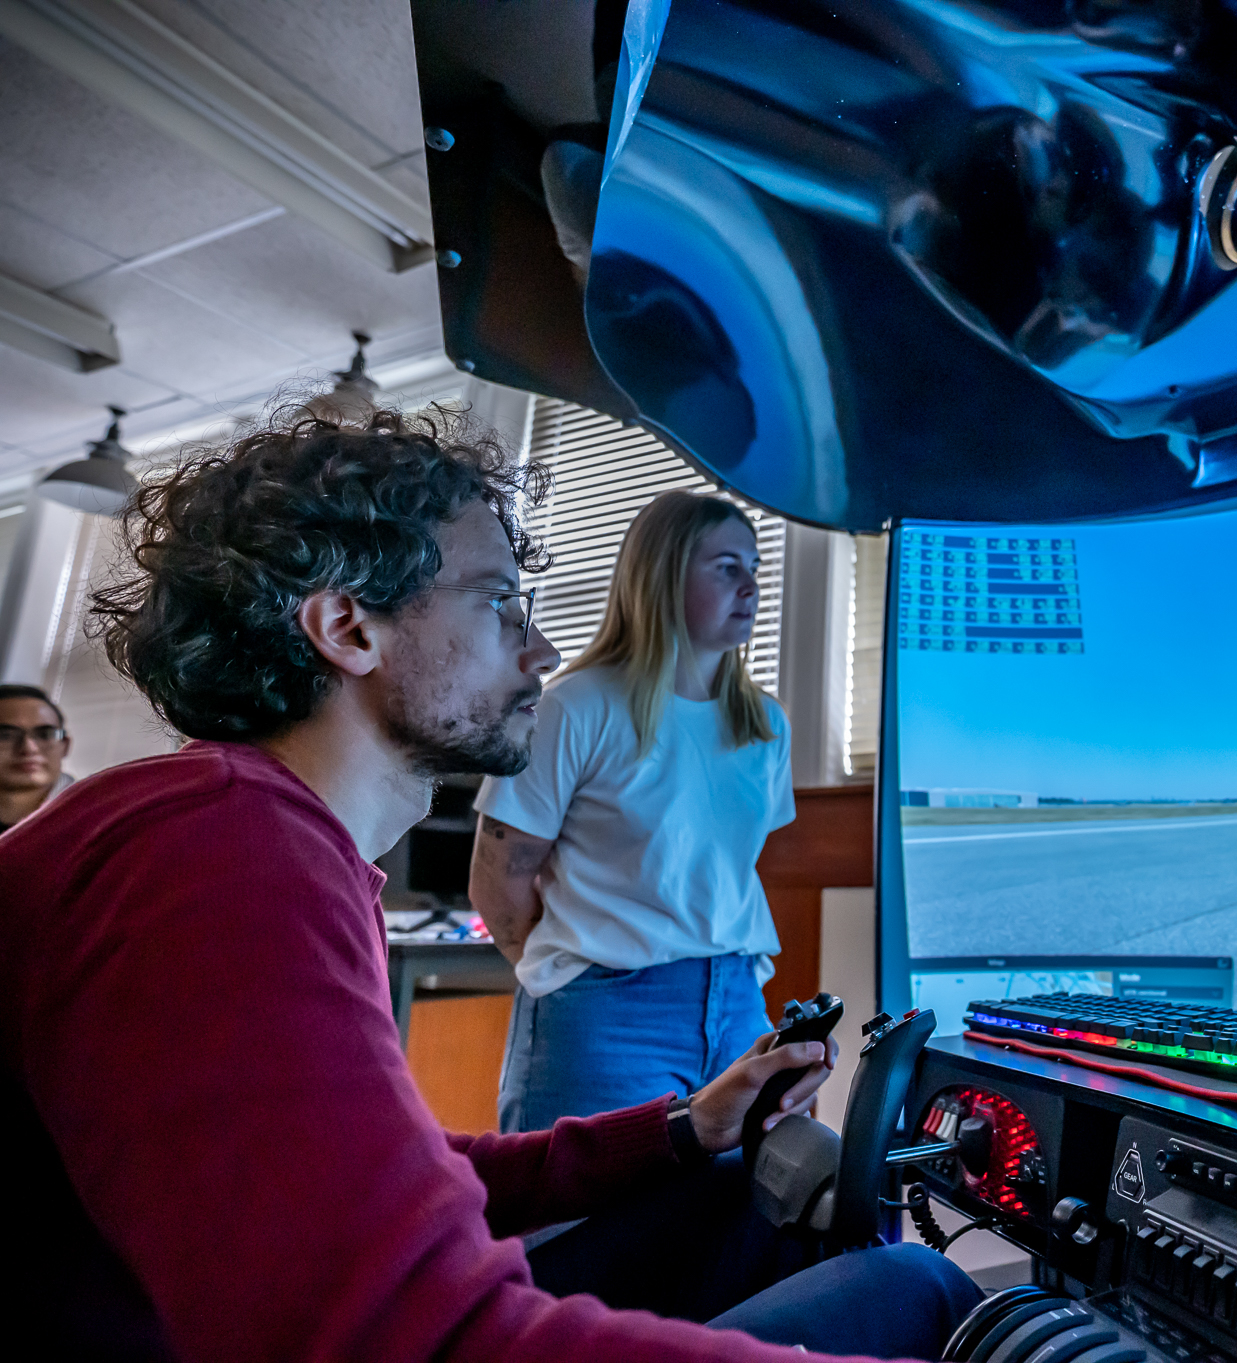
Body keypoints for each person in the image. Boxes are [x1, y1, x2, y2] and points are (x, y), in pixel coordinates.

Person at [0, 403, 979, 1361]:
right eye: (500, 604)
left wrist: (685, 1126)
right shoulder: (221, 848)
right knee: (914, 1292)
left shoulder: (263, 837)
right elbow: (398, 1334)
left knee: (744, 1200)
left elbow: (406, 1170)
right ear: (348, 627)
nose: (540, 650)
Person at [469, 490, 794, 1132]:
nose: (751, 586)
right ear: (665, 573)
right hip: (607, 1009)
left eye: (755, 567)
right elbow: (498, 878)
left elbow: (723, 871)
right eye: (727, 567)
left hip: (737, 1004)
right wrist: (570, 975)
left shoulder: (766, 724)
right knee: (589, 1197)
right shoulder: (575, 707)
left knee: (737, 1196)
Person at [0, 682, 73, 832]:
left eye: (45, 735)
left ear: (64, 746)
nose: (29, 749)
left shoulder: (94, 821)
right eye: (6, 735)